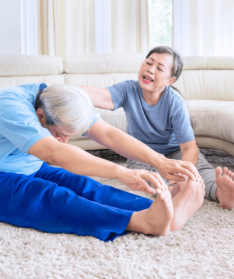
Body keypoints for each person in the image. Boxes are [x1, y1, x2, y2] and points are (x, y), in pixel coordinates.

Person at [0, 82, 200, 242]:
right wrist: (120, 172)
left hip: (28, 167)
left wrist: (160, 161)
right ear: (40, 117)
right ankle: (141, 221)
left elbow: (109, 134)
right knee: (48, 194)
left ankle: (159, 211)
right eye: (61, 134)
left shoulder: (60, 100)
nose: (64, 141)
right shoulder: (9, 107)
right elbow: (55, 154)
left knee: (85, 186)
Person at [80, 45, 234, 212]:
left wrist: (183, 172)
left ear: (170, 81)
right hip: (141, 154)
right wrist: (54, 88)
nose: (150, 70)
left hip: (175, 152)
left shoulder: (174, 101)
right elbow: (97, 95)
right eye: (148, 63)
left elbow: (189, 148)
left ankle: (221, 193)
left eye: (160, 68)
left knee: (200, 170)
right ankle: (172, 191)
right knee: (146, 175)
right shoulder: (128, 89)